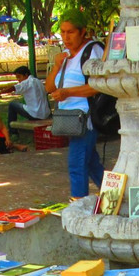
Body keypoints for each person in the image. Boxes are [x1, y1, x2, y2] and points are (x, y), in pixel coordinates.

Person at [46, 10, 105, 199]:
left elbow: (98, 86)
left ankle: (79, 208)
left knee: (76, 164)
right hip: (69, 119)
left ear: (82, 31)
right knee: (89, 162)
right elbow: (49, 87)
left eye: (70, 32)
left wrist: (68, 92)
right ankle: (113, 196)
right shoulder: (64, 56)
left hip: (85, 118)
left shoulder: (92, 50)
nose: (65, 37)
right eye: (62, 32)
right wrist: (56, 66)